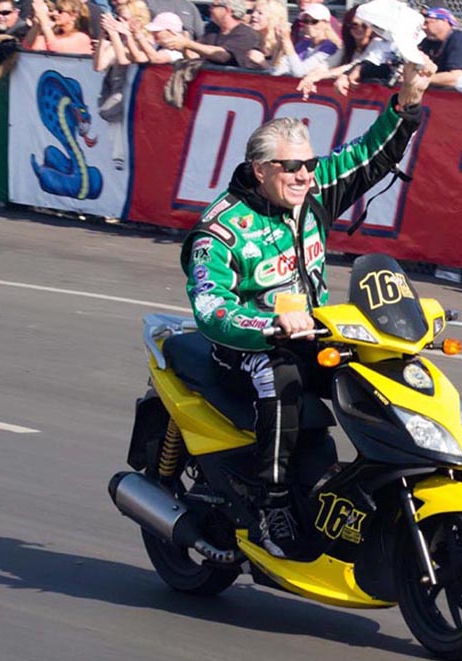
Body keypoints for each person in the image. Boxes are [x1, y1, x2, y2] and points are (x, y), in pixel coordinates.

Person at [181, 57, 436, 559]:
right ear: (260, 170)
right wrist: (271, 324)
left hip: (315, 333)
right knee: (280, 377)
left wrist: (408, 101)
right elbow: (211, 309)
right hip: (248, 346)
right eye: (291, 166)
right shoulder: (220, 229)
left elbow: (370, 156)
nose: (304, 175)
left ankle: (380, 482)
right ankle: (272, 503)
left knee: (386, 371)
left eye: (310, 164)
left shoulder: (313, 193)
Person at [162, 0, 260, 68]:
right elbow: (194, 56)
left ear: (227, 10)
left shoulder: (246, 34)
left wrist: (188, 44)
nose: (210, 9)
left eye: (214, 6)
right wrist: (183, 47)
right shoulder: (212, 29)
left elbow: (222, 56)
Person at [272, 3, 341, 77]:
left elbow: (300, 73)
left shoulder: (330, 47)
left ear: (325, 23)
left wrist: (287, 41)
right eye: (306, 21)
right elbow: (279, 69)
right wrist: (280, 42)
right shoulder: (304, 42)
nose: (309, 25)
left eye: (314, 21)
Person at [419, 7, 462, 87]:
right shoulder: (427, 42)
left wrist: (421, 79)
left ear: (443, 21)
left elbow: (456, 77)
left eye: (427, 22)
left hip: (457, 96)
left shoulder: (458, 39)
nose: (423, 27)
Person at [24, 0, 93, 53]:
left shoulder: (82, 38)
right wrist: (38, 24)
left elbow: (56, 48)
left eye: (60, 11)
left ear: (74, 16)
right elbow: (27, 46)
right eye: (55, 10)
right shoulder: (54, 34)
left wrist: (44, 22)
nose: (55, 13)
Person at [246, 0, 288, 70]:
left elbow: (280, 75)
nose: (253, 15)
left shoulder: (281, 44)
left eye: (260, 13)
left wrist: (262, 63)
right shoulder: (255, 40)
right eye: (253, 11)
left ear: (273, 18)